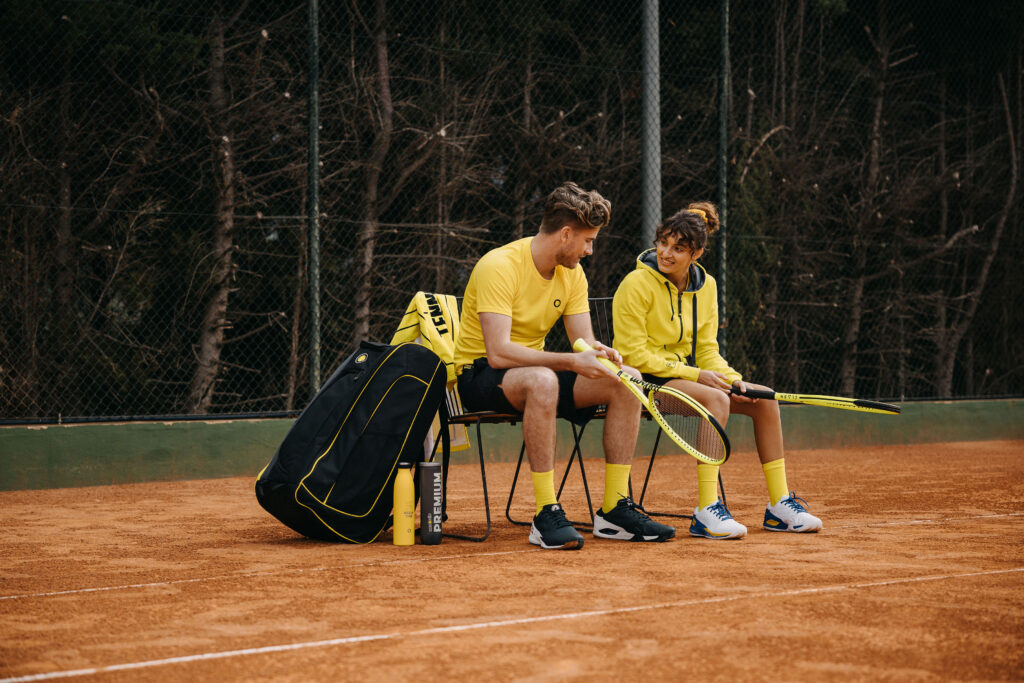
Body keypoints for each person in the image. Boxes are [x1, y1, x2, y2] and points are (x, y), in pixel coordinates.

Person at [453, 181, 675, 549]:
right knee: (543, 381)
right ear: (566, 234)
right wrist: (573, 360)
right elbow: (498, 353)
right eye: (588, 241)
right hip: (479, 377)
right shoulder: (500, 266)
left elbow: (581, 340)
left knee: (627, 379)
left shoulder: (572, 274)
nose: (589, 250)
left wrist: (598, 353)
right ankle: (546, 513)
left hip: (537, 376)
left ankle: (615, 509)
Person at [611, 202, 823, 539]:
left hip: (684, 379)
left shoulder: (705, 286)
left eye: (678, 248)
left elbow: (708, 350)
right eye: (663, 243)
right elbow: (632, 353)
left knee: (763, 399)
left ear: (696, 253)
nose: (666, 253)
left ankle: (780, 506)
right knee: (716, 401)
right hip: (644, 383)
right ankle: (707, 510)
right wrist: (698, 377)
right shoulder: (635, 284)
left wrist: (733, 380)